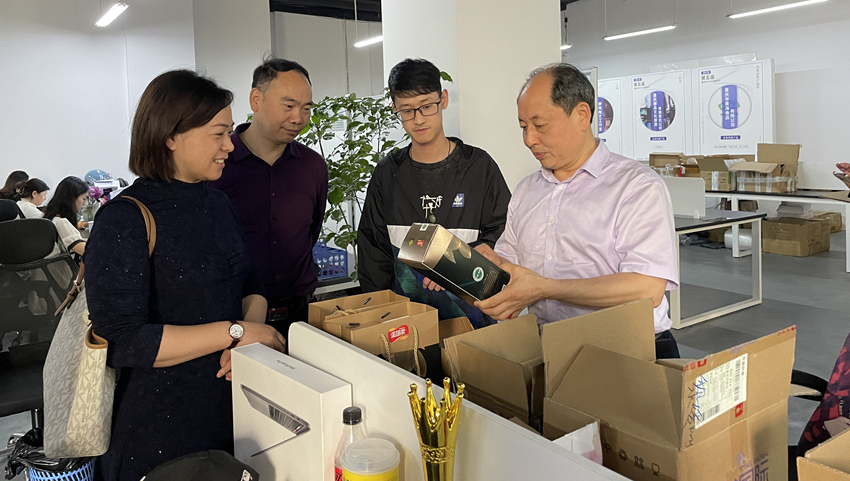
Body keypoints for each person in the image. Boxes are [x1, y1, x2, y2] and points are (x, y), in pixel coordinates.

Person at [85, 70, 285, 481]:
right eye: (218, 134)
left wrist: (246, 340)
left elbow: (251, 283)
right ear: (170, 136)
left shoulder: (218, 204)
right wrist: (235, 333)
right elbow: (124, 340)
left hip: (234, 406)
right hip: (160, 425)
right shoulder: (124, 219)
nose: (230, 145)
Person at [475, 63, 681, 359]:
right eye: (523, 127)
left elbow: (647, 289)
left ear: (582, 115)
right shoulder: (526, 190)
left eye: (540, 125)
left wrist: (545, 288)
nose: (529, 139)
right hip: (549, 349)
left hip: (629, 353)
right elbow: (513, 263)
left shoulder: (636, 186)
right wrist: (489, 265)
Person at [357, 59, 511, 327]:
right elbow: (373, 253)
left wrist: (460, 264)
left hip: (474, 325)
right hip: (408, 327)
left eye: (427, 106)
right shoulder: (388, 174)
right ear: (395, 108)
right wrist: (379, 319)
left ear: (444, 99)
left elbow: (507, 233)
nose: (418, 119)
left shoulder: (479, 168)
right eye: (407, 110)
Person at [210, 57, 328, 339]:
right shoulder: (217, 165)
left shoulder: (313, 166)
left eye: (306, 108)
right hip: (231, 320)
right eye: (288, 106)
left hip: (300, 315)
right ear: (256, 99)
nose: (298, 118)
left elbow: (311, 231)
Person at [42, 176, 88, 259]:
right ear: (72, 199)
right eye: (84, 199)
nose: (85, 203)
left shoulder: (53, 218)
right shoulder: (61, 222)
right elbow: (87, 252)